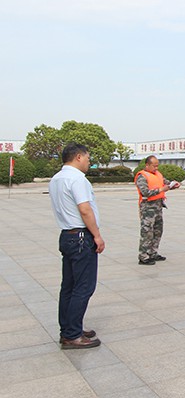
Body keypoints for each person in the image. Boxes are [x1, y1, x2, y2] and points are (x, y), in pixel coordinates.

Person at [49, 143, 104, 349]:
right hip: (81, 236)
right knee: (84, 287)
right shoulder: (77, 179)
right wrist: (97, 236)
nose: (89, 162)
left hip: (67, 235)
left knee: (69, 287)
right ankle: (72, 335)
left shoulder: (56, 179)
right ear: (78, 157)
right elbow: (85, 209)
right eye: (88, 158)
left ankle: (69, 329)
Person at [135, 155, 179, 265]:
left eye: (157, 166)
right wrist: (161, 189)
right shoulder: (142, 176)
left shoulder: (157, 175)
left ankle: (153, 252)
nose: (156, 168)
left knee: (158, 230)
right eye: (154, 166)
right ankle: (143, 256)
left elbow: (165, 183)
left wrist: (173, 185)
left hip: (158, 206)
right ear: (147, 165)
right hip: (147, 208)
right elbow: (145, 192)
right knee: (147, 232)